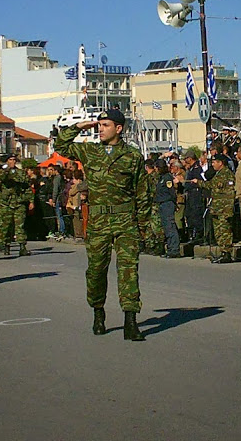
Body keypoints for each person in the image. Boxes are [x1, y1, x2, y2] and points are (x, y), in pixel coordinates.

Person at [54, 108, 150, 341]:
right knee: (96, 270)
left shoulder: (133, 156)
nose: (100, 128)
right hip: (98, 221)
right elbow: (60, 146)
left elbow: (143, 192)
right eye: (99, 125)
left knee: (128, 270)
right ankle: (98, 311)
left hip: (125, 220)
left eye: (105, 125)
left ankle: (130, 320)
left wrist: (144, 225)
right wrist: (80, 126)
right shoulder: (90, 151)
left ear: (119, 128)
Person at [193, 153, 236, 263]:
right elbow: (211, 185)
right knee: (218, 232)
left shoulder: (227, 175)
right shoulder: (218, 174)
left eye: (214, 162)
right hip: (216, 208)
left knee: (224, 230)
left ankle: (227, 253)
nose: (212, 164)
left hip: (224, 209)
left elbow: (229, 193)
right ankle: (223, 252)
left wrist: (228, 210)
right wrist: (198, 182)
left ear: (220, 163)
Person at [0, 154, 34, 256]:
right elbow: (1, 180)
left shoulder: (21, 173)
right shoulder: (2, 172)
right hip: (7, 203)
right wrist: (7, 170)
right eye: (10, 160)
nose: (12, 161)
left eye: (14, 160)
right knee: (7, 225)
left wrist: (31, 201)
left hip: (19, 202)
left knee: (20, 225)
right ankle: (7, 245)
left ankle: (22, 247)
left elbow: (27, 187)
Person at [155, 158, 180, 258]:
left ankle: (174, 249)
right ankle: (170, 248)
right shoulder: (161, 178)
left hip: (167, 203)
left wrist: (174, 203)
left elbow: (171, 192)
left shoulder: (167, 178)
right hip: (162, 204)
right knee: (166, 226)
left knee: (170, 226)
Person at [182, 150, 204, 244]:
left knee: (196, 214)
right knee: (190, 215)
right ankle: (193, 234)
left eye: (186, 158)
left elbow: (198, 181)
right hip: (190, 194)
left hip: (196, 193)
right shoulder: (190, 168)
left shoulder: (197, 168)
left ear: (190, 158)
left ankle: (199, 235)